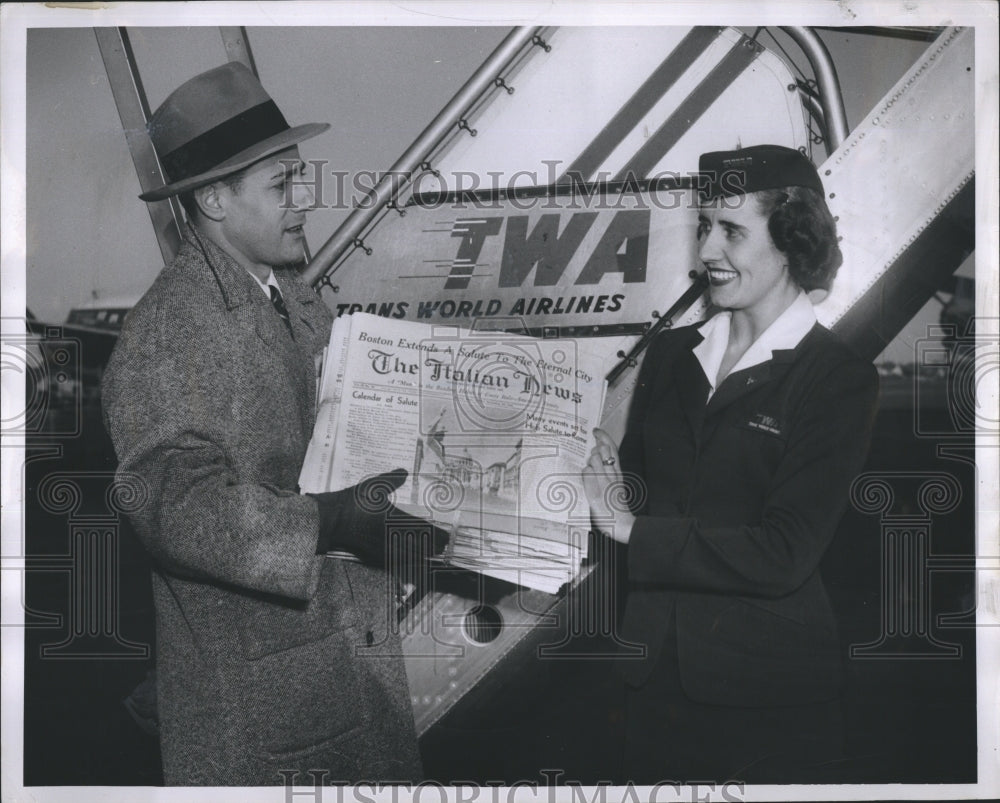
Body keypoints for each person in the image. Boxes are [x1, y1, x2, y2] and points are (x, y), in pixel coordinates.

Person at [102, 63, 443, 785]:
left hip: (336, 680)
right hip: (267, 724)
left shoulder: (292, 292)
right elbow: (171, 503)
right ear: (216, 199)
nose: (305, 203)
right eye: (283, 186)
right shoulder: (168, 329)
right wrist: (329, 522)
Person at [583, 144, 879, 783]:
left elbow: (784, 552)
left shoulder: (837, 380)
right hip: (647, 680)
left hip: (765, 697)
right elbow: (630, 495)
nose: (706, 252)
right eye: (703, 228)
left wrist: (630, 528)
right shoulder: (671, 354)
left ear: (792, 241)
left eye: (732, 232)